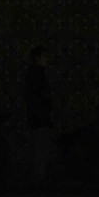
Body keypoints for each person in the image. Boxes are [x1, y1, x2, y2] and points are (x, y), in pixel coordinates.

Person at [23, 44, 56, 187]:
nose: (48, 60)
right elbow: (39, 99)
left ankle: (38, 182)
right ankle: (37, 184)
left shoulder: (35, 74)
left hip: (39, 119)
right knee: (40, 153)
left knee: (41, 152)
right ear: (37, 58)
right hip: (40, 120)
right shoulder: (36, 75)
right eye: (45, 57)